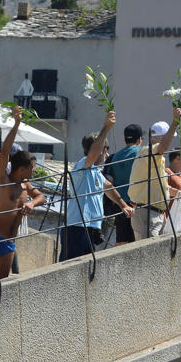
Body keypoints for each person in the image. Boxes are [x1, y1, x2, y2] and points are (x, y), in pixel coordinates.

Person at [0, 107, 45, 282]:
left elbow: (41, 197)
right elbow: (6, 152)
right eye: (32, 167)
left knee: (3, 282)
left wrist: (31, 204)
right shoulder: (2, 179)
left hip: (9, 241)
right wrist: (16, 124)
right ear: (22, 168)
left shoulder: (25, 184)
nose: (35, 170)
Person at [61, 111, 134, 261]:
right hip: (77, 227)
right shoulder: (82, 166)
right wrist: (106, 128)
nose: (106, 156)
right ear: (102, 150)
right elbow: (92, 155)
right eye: (105, 151)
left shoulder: (95, 172)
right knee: (70, 269)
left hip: (90, 228)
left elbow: (108, 187)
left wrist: (123, 205)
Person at [128, 106, 181, 240]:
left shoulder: (154, 158)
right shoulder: (148, 152)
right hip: (148, 213)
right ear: (160, 138)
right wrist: (174, 123)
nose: (170, 142)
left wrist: (180, 193)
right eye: (168, 138)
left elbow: (158, 185)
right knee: (148, 256)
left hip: (154, 212)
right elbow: (162, 147)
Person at [105, 123, 143, 245]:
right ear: (140, 139)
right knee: (137, 239)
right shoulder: (141, 153)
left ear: (125, 139)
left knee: (121, 239)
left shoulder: (115, 156)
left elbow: (109, 178)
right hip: (136, 202)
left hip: (119, 202)